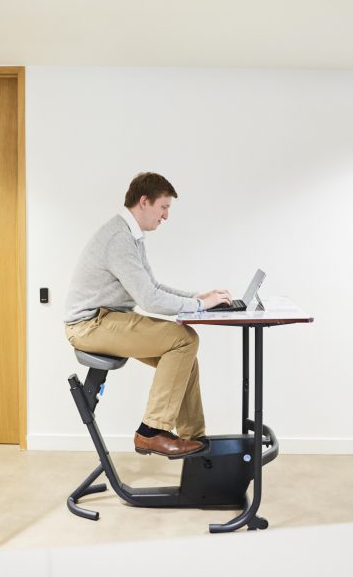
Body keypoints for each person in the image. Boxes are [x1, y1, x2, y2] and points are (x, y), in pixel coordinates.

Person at [64, 172, 233, 458]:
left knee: (185, 357)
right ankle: (151, 432)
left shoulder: (131, 236)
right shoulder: (119, 237)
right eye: (163, 207)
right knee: (183, 339)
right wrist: (201, 307)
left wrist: (196, 298)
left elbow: (152, 286)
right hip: (89, 325)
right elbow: (149, 299)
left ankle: (195, 441)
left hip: (107, 319)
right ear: (144, 202)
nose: (166, 216)